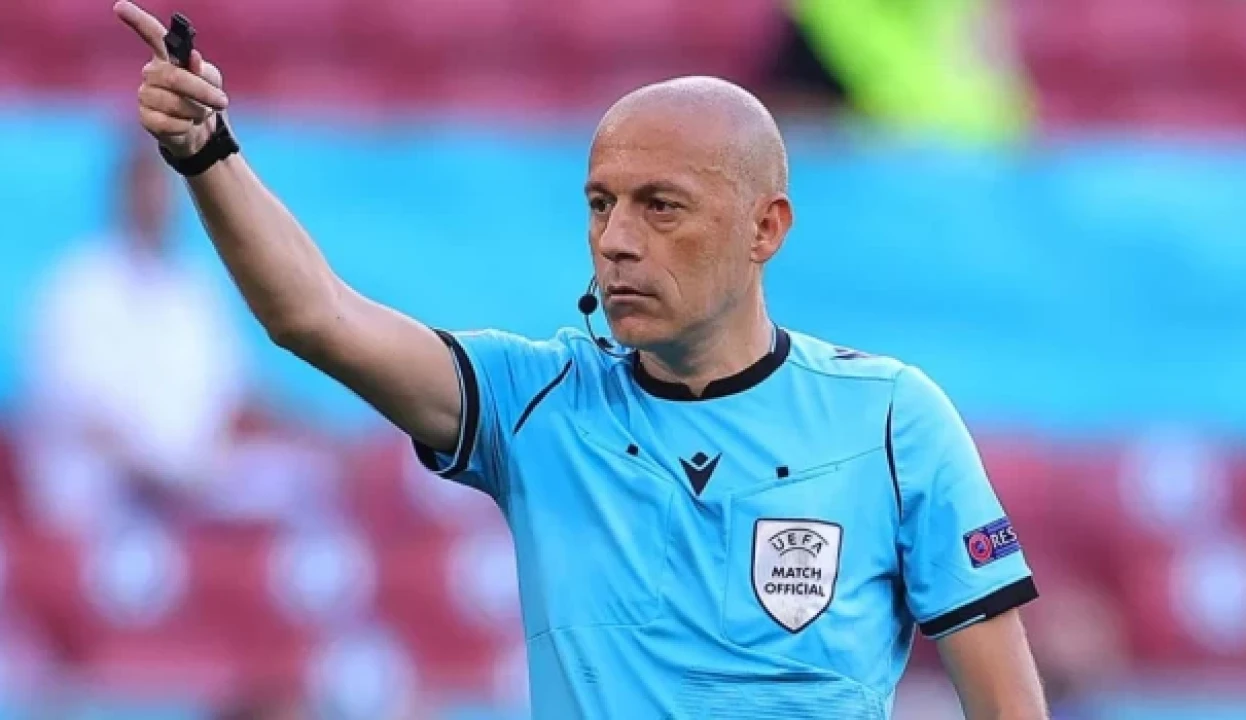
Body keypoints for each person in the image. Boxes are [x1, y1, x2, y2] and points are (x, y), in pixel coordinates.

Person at [113, 2, 1047, 717]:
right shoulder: (535, 404)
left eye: (660, 206)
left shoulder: (892, 419)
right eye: (601, 205)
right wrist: (206, 154)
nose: (618, 240)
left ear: (766, 229)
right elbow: (314, 316)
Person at [20, 131, 246, 538]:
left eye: (164, 187)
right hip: (100, 494)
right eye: (146, 185)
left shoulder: (195, 289)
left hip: (193, 487)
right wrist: (157, 470)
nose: (156, 199)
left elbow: (228, 394)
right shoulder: (77, 285)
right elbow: (72, 406)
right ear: (121, 192)